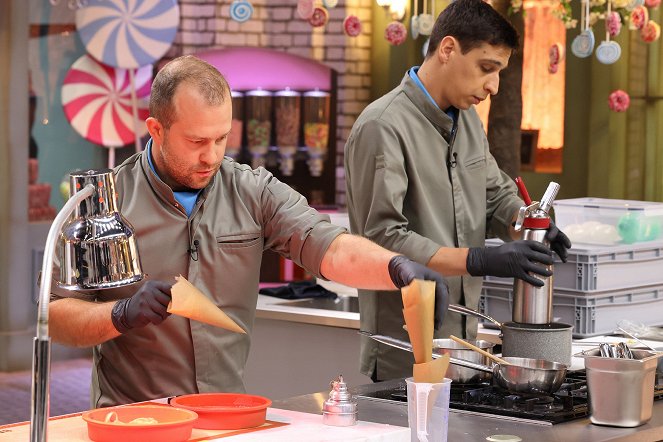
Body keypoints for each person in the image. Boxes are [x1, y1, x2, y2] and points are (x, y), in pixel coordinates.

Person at [47, 55, 451, 408]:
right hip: (133, 421)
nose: (212, 156)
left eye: (223, 138)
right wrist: (119, 313)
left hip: (226, 414)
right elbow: (54, 317)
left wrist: (397, 267)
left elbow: (329, 247)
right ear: (156, 129)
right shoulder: (103, 206)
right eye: (196, 141)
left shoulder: (252, 190)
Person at [344, 0, 571, 382]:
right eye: (487, 68)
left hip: (465, 349)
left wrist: (528, 223)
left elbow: (496, 194)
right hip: (407, 353)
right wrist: (478, 260)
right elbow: (381, 238)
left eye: (499, 72)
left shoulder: (466, 123)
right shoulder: (382, 127)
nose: (494, 86)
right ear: (447, 49)